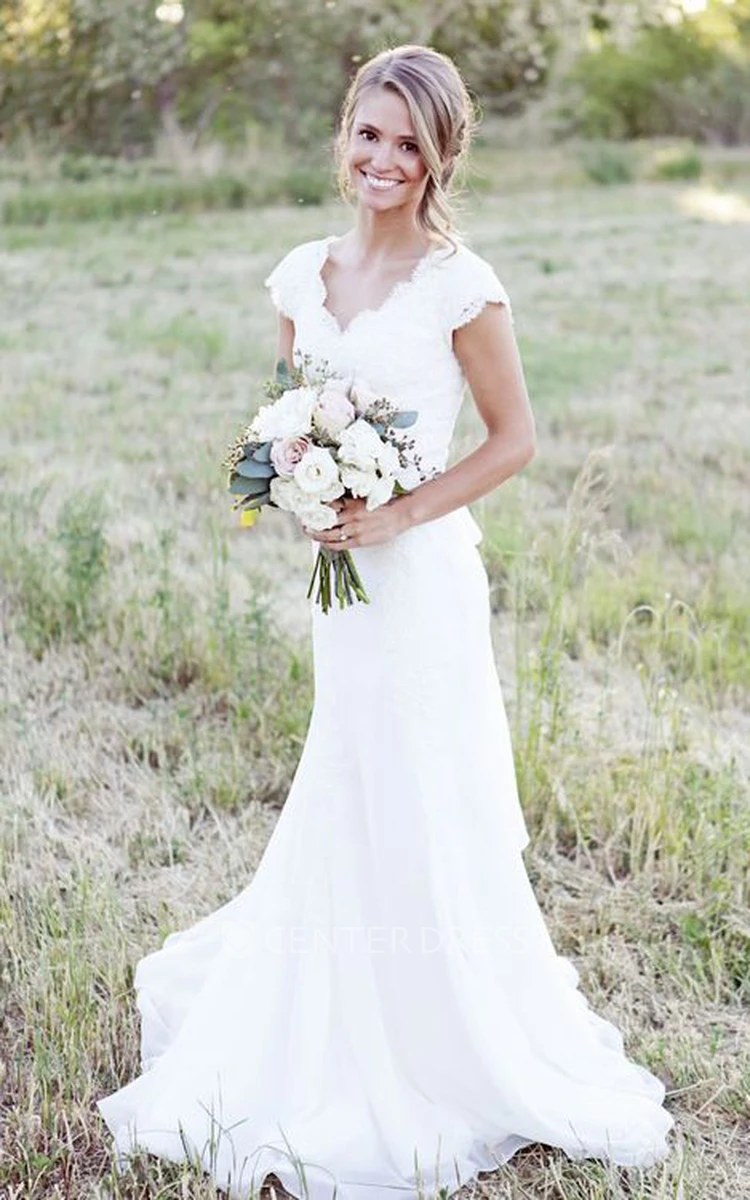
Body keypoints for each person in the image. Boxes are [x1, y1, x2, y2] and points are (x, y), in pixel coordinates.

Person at [97, 43, 674, 1200]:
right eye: (370, 132)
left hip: (422, 588)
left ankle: (438, 1034)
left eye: (411, 143)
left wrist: (398, 510)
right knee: (350, 775)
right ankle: (336, 1001)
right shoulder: (300, 275)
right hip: (341, 592)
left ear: (442, 155)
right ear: (343, 133)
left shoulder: (465, 285)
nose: (384, 159)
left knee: (422, 783)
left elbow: (514, 441)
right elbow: (281, 417)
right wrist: (298, 486)